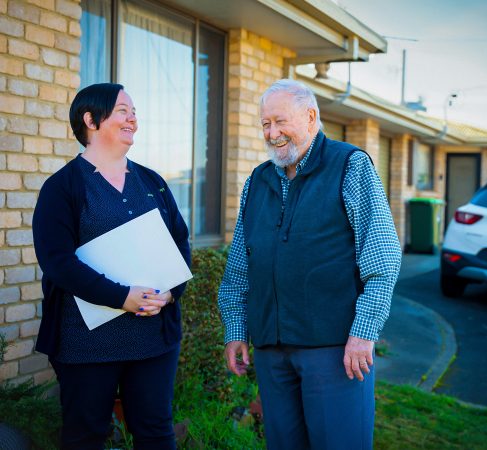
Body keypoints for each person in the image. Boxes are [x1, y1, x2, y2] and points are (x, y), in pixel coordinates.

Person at [218, 79, 402, 449]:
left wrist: (364, 333)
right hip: (272, 351)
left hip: (335, 351)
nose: (272, 133)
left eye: (280, 121)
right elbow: (240, 263)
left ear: (311, 116)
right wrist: (236, 328)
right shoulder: (258, 180)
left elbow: (382, 258)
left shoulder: (350, 166)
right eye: (265, 124)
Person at [32, 83, 190, 450]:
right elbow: (58, 262)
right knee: (85, 436)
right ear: (90, 119)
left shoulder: (152, 182)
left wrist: (170, 293)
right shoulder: (62, 187)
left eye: (133, 111)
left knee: (156, 432)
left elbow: (180, 242)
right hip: (86, 342)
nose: (133, 117)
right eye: (122, 110)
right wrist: (122, 297)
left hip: (153, 338)